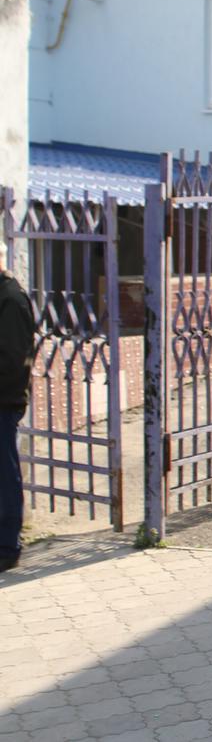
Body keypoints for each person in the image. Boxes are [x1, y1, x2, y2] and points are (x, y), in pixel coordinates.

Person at [0, 238, 35, 572]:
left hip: (3, 400)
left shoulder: (11, 298)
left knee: (4, 474)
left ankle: (7, 546)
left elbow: (12, 360)